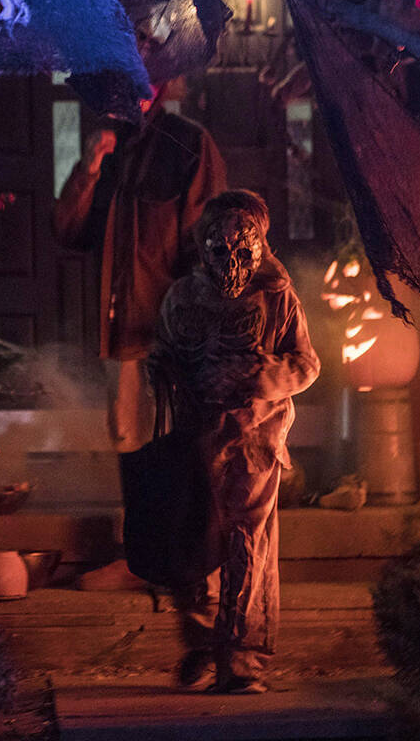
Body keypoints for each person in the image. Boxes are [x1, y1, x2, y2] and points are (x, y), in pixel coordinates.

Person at [53, 80, 226, 589]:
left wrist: (197, 324)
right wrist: (88, 170)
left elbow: (212, 237)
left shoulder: (186, 142)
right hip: (123, 327)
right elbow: (68, 230)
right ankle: (145, 563)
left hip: (173, 331)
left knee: (182, 449)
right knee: (134, 445)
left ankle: (192, 571)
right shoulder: (111, 149)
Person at [149, 190, 320, 693]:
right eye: (221, 252)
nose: (232, 263)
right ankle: (203, 641)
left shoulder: (278, 298)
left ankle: (241, 657)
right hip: (193, 437)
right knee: (193, 541)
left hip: (254, 439)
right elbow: (163, 354)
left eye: (243, 253)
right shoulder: (181, 298)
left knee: (246, 542)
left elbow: (307, 364)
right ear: (204, 249)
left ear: (260, 250)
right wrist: (164, 373)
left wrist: (266, 376)